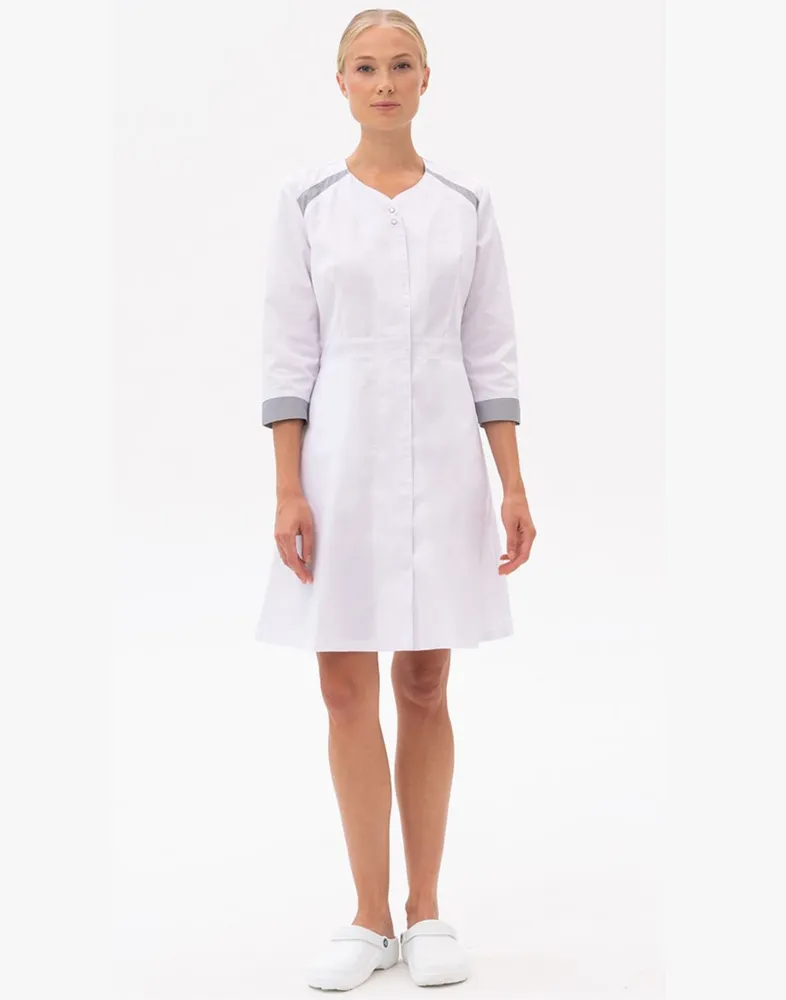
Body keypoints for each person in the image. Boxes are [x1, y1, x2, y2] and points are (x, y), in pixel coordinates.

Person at [256, 8, 536, 992]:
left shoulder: (466, 204)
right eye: (366, 67)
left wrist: (512, 479)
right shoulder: (306, 203)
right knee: (342, 686)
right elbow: (289, 353)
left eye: (401, 65)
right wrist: (287, 486)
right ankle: (367, 915)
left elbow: (491, 350)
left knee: (423, 683)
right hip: (337, 462)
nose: (384, 82)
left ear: (426, 78)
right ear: (340, 82)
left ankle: (425, 911)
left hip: (443, 460)